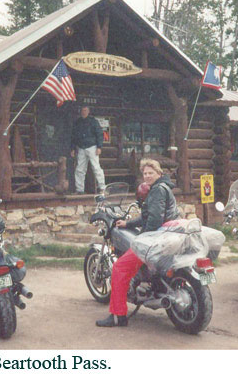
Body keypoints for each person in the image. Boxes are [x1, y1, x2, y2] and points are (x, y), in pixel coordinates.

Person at [96, 158, 178, 327]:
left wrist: (142, 240)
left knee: (119, 268)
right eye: (145, 173)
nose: (147, 176)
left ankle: (118, 316)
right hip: (166, 237)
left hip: (154, 240)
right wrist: (128, 223)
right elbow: (149, 215)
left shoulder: (156, 191)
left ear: (159, 173)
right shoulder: (163, 188)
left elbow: (154, 220)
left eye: (151, 173)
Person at [70, 105, 106, 194]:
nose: (84, 112)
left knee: (96, 167)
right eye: (82, 110)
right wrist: (73, 148)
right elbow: (74, 136)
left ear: (88, 111)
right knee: (80, 169)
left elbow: (99, 134)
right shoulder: (77, 122)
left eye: (85, 110)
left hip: (92, 147)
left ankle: (102, 188)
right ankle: (79, 189)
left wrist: (99, 147)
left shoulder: (93, 122)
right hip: (81, 148)